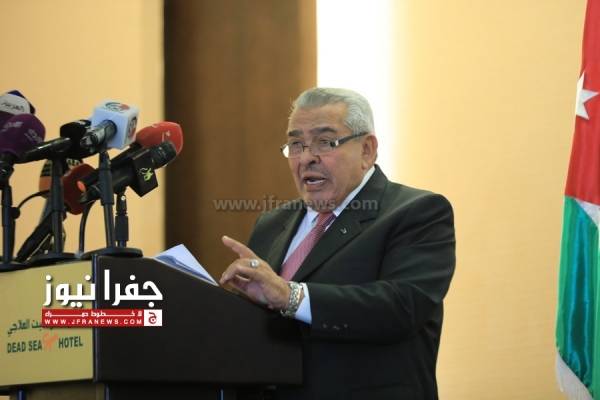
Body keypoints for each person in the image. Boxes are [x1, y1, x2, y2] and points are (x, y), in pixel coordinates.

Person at [220, 87, 455, 400]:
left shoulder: (417, 212)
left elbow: (401, 307)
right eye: (296, 144)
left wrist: (290, 296)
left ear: (367, 150)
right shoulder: (272, 223)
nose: (307, 158)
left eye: (325, 142)